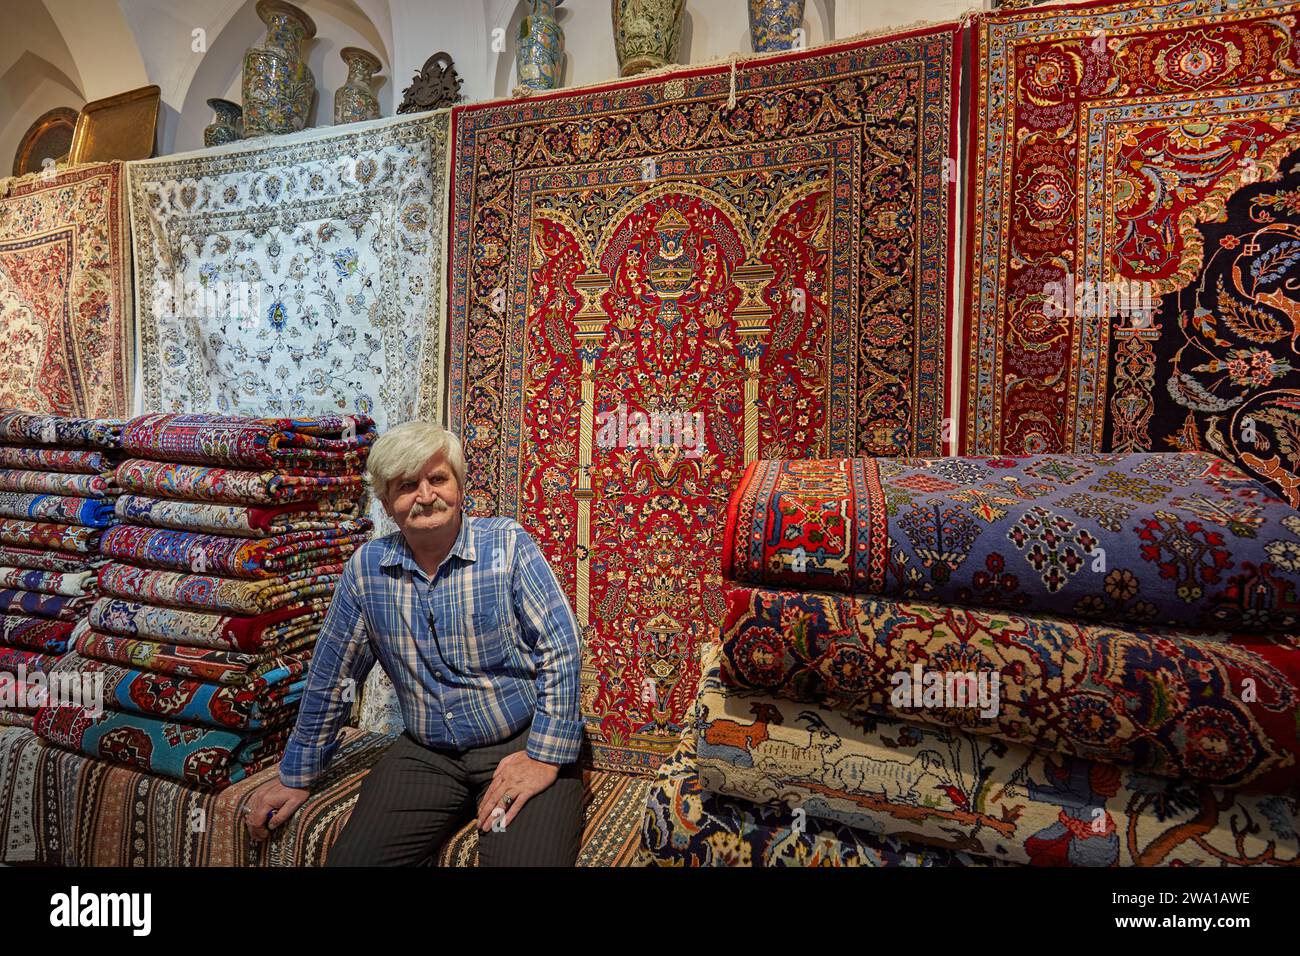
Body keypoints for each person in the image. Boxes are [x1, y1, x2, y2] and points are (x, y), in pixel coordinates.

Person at [244, 421, 584, 866]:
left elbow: (561, 647)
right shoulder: (368, 569)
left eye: (437, 479)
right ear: (386, 503)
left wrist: (543, 756)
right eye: (407, 486)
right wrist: (297, 775)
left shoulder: (506, 544)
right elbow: (334, 675)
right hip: (428, 753)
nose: (425, 496)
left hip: (518, 740)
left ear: (459, 486)